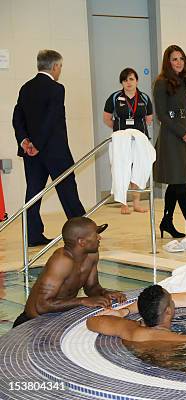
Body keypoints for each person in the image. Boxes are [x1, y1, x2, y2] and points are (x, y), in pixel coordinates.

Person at [12, 49, 86, 247]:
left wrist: (25, 141)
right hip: (54, 150)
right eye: (60, 67)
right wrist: (38, 143)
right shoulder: (56, 89)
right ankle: (84, 233)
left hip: (32, 152)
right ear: (54, 66)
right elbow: (50, 120)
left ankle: (33, 235)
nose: (59, 70)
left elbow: (17, 117)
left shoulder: (25, 88)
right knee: (67, 189)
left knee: (34, 193)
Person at [12, 217, 126, 328]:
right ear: (81, 242)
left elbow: (92, 288)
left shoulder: (91, 255)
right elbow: (42, 305)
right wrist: (82, 301)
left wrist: (105, 293)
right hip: (32, 322)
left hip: (57, 318)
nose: (99, 237)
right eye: (95, 235)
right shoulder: (61, 261)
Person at [153, 45, 186, 241]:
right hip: (171, 138)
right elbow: (162, 115)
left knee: (177, 182)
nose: (179, 62)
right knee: (180, 183)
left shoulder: (183, 82)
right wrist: (182, 132)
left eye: (181, 58)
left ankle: (167, 221)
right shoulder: (161, 83)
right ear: (168, 62)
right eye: (174, 59)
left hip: (182, 138)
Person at [103, 67, 154, 215]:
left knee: (138, 169)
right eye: (125, 80)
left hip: (139, 139)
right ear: (121, 83)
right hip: (121, 141)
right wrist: (120, 131)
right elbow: (106, 118)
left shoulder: (144, 98)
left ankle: (136, 203)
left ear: (137, 81)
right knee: (121, 169)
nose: (128, 82)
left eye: (131, 79)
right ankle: (123, 203)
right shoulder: (114, 97)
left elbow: (149, 119)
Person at [86, 284, 186, 343]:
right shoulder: (185, 340)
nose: (173, 303)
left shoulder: (131, 330)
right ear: (168, 311)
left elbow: (91, 321)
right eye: (171, 301)